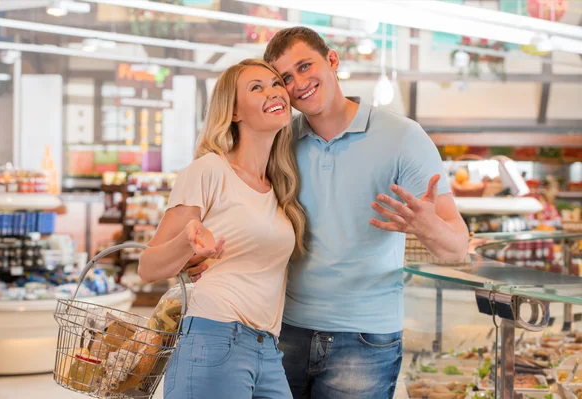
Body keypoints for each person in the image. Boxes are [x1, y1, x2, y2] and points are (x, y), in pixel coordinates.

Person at [186, 27, 469, 399]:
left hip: (364, 339)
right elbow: (241, 209)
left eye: (306, 67)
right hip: (280, 330)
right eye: (286, 78)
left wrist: (428, 226)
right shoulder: (279, 141)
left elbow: (458, 249)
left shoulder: (403, 137)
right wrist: (196, 252)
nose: (299, 83)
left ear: (332, 60)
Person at [138, 58, 306, 399]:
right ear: (233, 112)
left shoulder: (279, 187)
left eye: (276, 84)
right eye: (256, 87)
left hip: (268, 348)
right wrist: (188, 245)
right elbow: (147, 266)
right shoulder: (209, 170)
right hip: (215, 336)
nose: (273, 92)